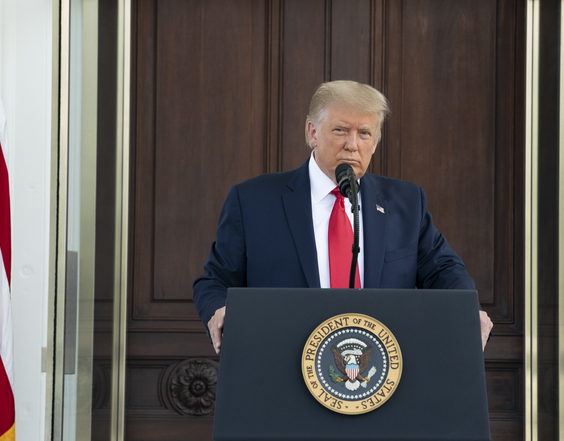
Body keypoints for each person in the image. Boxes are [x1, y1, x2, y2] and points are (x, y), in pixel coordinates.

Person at [192, 80, 493, 354]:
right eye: (340, 130)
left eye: (364, 133)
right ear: (312, 132)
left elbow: (443, 270)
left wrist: (468, 308)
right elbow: (214, 281)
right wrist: (219, 309)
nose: (353, 144)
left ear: (375, 142)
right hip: (281, 362)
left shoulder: (405, 202)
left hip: (378, 373)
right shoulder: (254, 200)